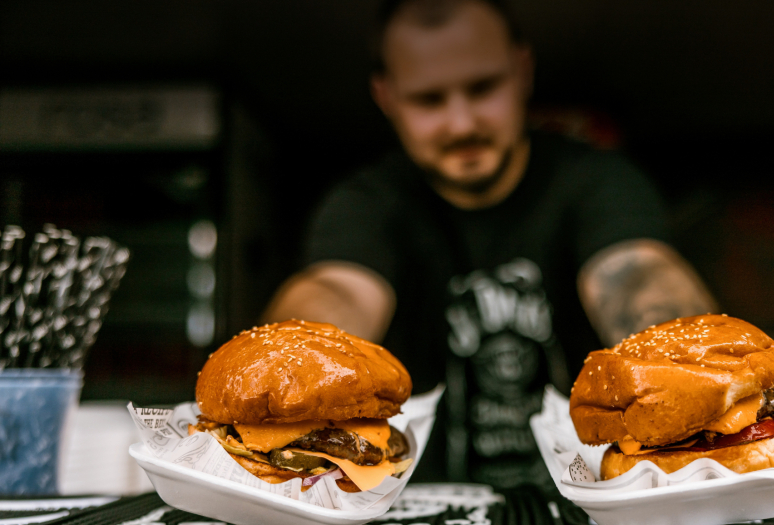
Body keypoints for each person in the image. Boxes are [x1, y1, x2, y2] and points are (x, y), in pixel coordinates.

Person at [263, 0, 716, 488]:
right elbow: (342, 288)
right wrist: (294, 366)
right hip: (414, 504)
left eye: (483, 88)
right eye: (428, 99)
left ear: (522, 71)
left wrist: (688, 365)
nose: (461, 123)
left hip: (594, 501)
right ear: (386, 95)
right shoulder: (365, 204)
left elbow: (632, 273)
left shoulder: (600, 182)